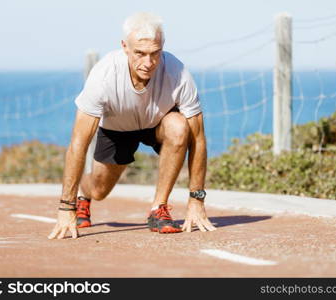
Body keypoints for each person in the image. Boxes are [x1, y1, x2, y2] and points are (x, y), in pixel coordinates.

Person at [48, 12, 216, 239]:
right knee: (99, 190)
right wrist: (65, 207)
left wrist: (197, 200)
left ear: (162, 46)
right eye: (140, 53)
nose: (148, 63)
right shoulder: (104, 75)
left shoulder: (178, 73)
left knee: (179, 126)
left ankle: (159, 209)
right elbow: (78, 143)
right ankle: (82, 196)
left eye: (155, 53)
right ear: (125, 46)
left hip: (157, 123)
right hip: (117, 129)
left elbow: (198, 138)